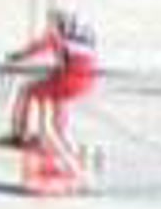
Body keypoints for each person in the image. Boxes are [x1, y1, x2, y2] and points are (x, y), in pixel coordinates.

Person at [8, 8, 99, 152]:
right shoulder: (87, 41)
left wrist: (16, 57)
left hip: (67, 80)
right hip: (87, 83)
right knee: (57, 100)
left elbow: (36, 49)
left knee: (27, 91)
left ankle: (21, 132)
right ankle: (66, 141)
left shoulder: (56, 37)